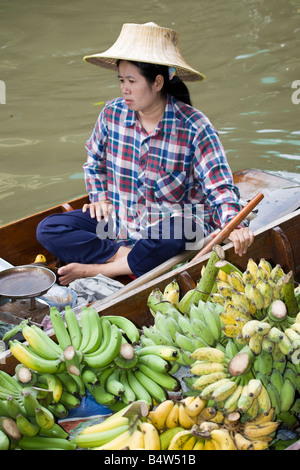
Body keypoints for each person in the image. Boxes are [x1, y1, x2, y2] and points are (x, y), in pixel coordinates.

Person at [36, 22, 254, 286]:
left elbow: (219, 187)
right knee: (49, 228)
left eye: (131, 81)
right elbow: (93, 163)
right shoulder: (111, 114)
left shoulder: (196, 127)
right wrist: (100, 198)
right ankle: (128, 261)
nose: (124, 89)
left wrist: (235, 225)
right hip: (120, 224)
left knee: (179, 230)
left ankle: (96, 270)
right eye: (121, 80)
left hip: (170, 230)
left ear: (158, 82)